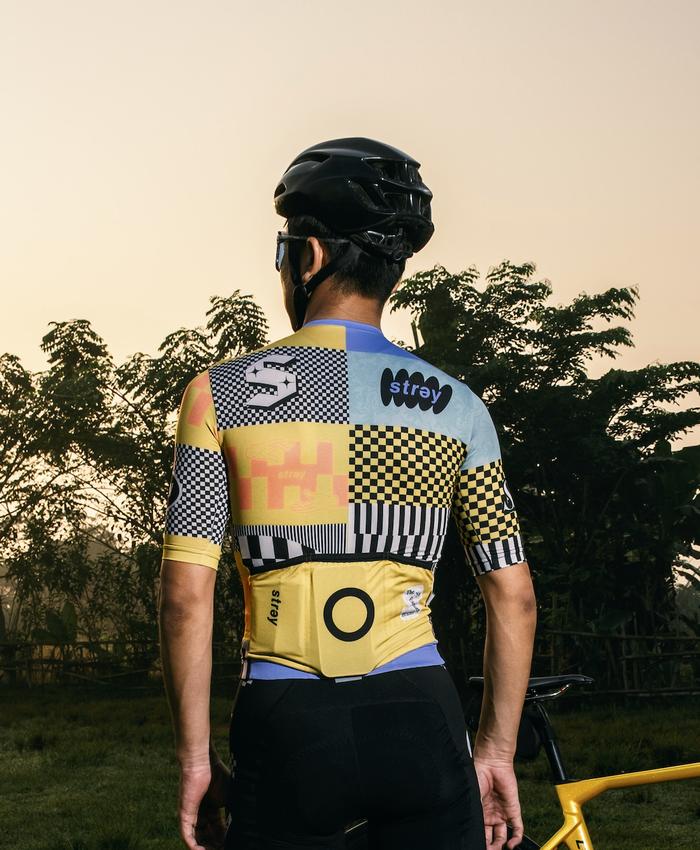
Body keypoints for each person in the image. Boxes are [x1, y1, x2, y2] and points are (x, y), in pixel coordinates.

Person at [158, 137, 537, 850]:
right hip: (420, 714)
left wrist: (195, 760)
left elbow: (185, 597)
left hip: (285, 718)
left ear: (308, 257)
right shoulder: (458, 406)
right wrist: (493, 751)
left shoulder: (217, 395)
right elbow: (512, 595)